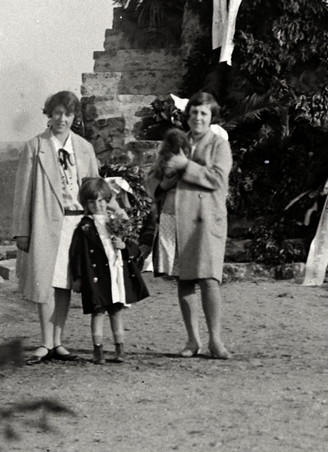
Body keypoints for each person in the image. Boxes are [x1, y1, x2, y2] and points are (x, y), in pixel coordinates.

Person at [11, 91, 99, 360]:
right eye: (57, 113)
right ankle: (45, 341)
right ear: (49, 114)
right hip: (45, 221)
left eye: (68, 114)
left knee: (66, 281)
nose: (62, 119)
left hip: (77, 223)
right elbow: (23, 192)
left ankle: (59, 341)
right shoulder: (35, 147)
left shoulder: (84, 148)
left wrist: (99, 224)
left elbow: (95, 189)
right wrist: (22, 230)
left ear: (75, 117)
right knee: (45, 281)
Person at [150, 91, 234, 359]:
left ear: (211, 118)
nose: (198, 117)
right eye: (194, 112)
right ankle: (192, 340)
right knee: (185, 280)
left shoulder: (219, 145)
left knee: (209, 279)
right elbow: (152, 177)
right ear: (188, 115)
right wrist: (162, 184)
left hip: (206, 219)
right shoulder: (177, 141)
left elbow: (218, 179)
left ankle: (216, 340)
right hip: (177, 217)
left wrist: (186, 165)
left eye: (204, 113)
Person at [68, 176, 149, 363]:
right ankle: (98, 349)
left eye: (101, 200)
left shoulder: (116, 222)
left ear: (107, 201)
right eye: (92, 201)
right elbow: (76, 254)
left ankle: (119, 348)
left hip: (114, 273)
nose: (97, 205)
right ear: (86, 203)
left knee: (116, 310)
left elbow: (133, 245)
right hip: (95, 275)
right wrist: (78, 277)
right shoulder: (84, 227)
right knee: (98, 310)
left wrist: (124, 246)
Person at [147, 128, 192, 278]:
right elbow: (153, 182)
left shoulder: (190, 160)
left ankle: (184, 270)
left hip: (186, 207)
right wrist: (164, 186)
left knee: (186, 244)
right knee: (168, 243)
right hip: (169, 207)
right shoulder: (163, 161)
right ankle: (169, 270)